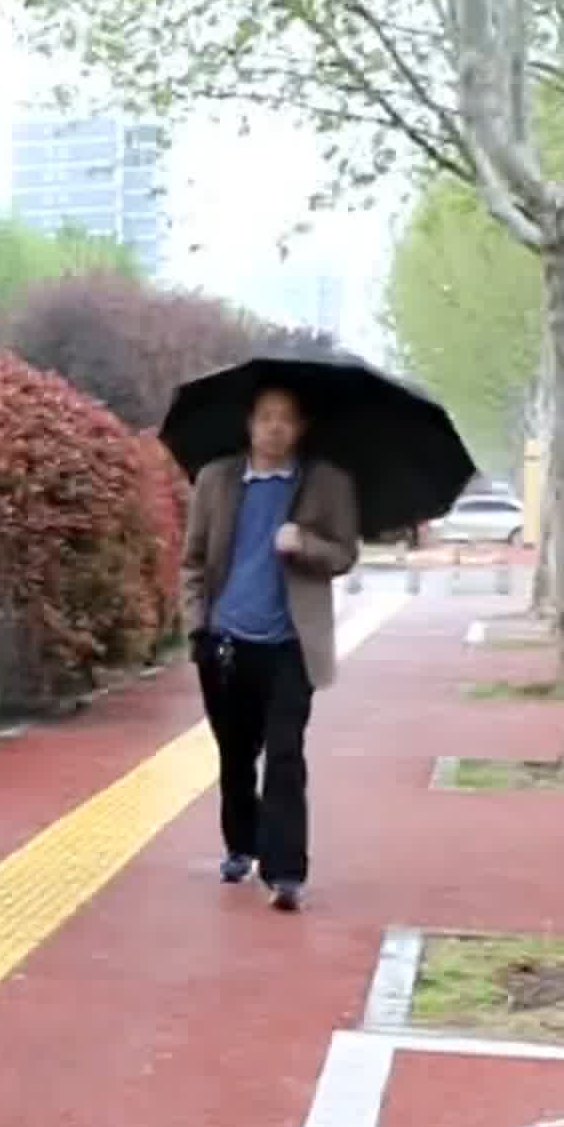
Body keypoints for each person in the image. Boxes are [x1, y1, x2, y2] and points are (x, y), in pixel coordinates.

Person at [181, 386, 361, 912]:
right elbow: (192, 563)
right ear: (250, 424)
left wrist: (305, 544)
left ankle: (285, 872)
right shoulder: (216, 480)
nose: (275, 428)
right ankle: (241, 843)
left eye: (286, 418)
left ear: (300, 427)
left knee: (284, 755)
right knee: (237, 756)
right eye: (265, 417)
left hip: (290, 645)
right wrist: (198, 628)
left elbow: (345, 553)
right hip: (225, 643)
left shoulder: (326, 483)